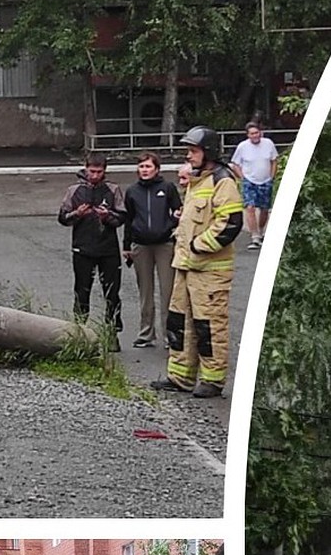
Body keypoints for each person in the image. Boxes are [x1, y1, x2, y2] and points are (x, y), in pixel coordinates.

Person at [150, 126, 243, 398]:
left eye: (193, 151)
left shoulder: (222, 181)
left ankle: (213, 380)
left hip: (209, 270)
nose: (188, 156)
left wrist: (198, 246)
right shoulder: (197, 180)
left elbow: (230, 224)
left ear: (208, 152)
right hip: (186, 266)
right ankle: (180, 376)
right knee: (179, 322)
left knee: (208, 325)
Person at [57, 154, 126, 349]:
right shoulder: (74, 190)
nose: (95, 175)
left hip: (108, 250)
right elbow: (62, 218)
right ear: (85, 169)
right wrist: (77, 214)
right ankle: (79, 332)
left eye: (99, 172)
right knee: (81, 291)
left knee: (112, 293)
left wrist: (107, 217)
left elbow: (121, 217)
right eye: (92, 171)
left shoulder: (113, 190)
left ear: (104, 171)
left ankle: (112, 333)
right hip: (83, 248)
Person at [121, 151, 182, 348]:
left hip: (164, 244)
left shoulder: (167, 187)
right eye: (141, 167)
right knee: (145, 292)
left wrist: (169, 224)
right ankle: (146, 333)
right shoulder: (132, 191)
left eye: (148, 166)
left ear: (157, 169)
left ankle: (168, 335)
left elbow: (179, 212)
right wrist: (126, 245)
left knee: (168, 291)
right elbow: (128, 220)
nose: (144, 170)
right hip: (141, 245)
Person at [229, 122, 278, 249]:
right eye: (252, 134)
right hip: (249, 180)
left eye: (256, 133)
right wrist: (243, 178)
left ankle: (261, 231)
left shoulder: (268, 144)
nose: (255, 136)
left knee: (264, 209)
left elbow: (274, 161)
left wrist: (272, 177)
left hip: (265, 180)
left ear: (260, 133)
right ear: (248, 135)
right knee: (249, 207)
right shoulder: (242, 147)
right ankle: (254, 236)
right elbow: (235, 164)